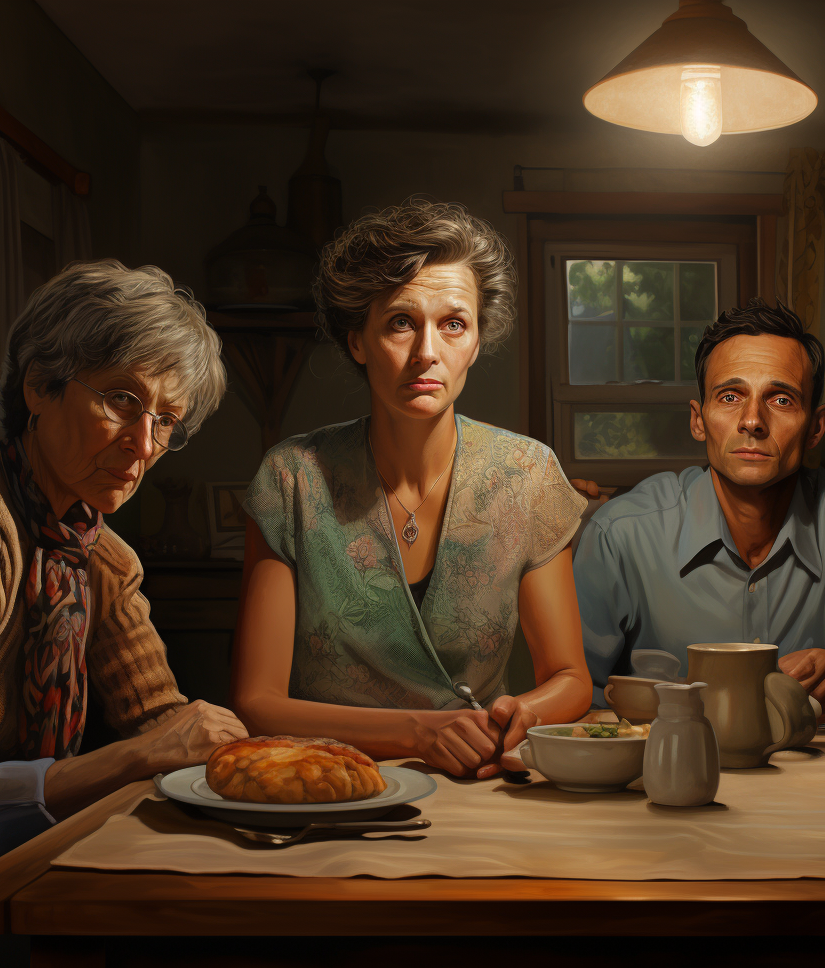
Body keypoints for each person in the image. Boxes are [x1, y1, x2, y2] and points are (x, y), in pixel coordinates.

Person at [231, 199, 592, 778]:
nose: (427, 352)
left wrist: (517, 714)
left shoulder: (526, 475)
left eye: (454, 324)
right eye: (401, 322)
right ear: (357, 341)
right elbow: (256, 703)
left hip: (479, 785)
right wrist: (417, 734)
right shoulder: (292, 478)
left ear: (476, 342)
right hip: (328, 786)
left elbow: (570, 679)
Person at [0, 260, 248, 866]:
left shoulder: (100, 555)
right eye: (123, 400)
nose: (144, 445)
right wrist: (142, 756)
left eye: (165, 420)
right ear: (39, 386)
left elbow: (161, 720)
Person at [572, 299, 825, 715]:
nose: (752, 421)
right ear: (698, 420)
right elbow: (576, 698)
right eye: (730, 396)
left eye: (781, 400)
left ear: (815, 427)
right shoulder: (621, 534)